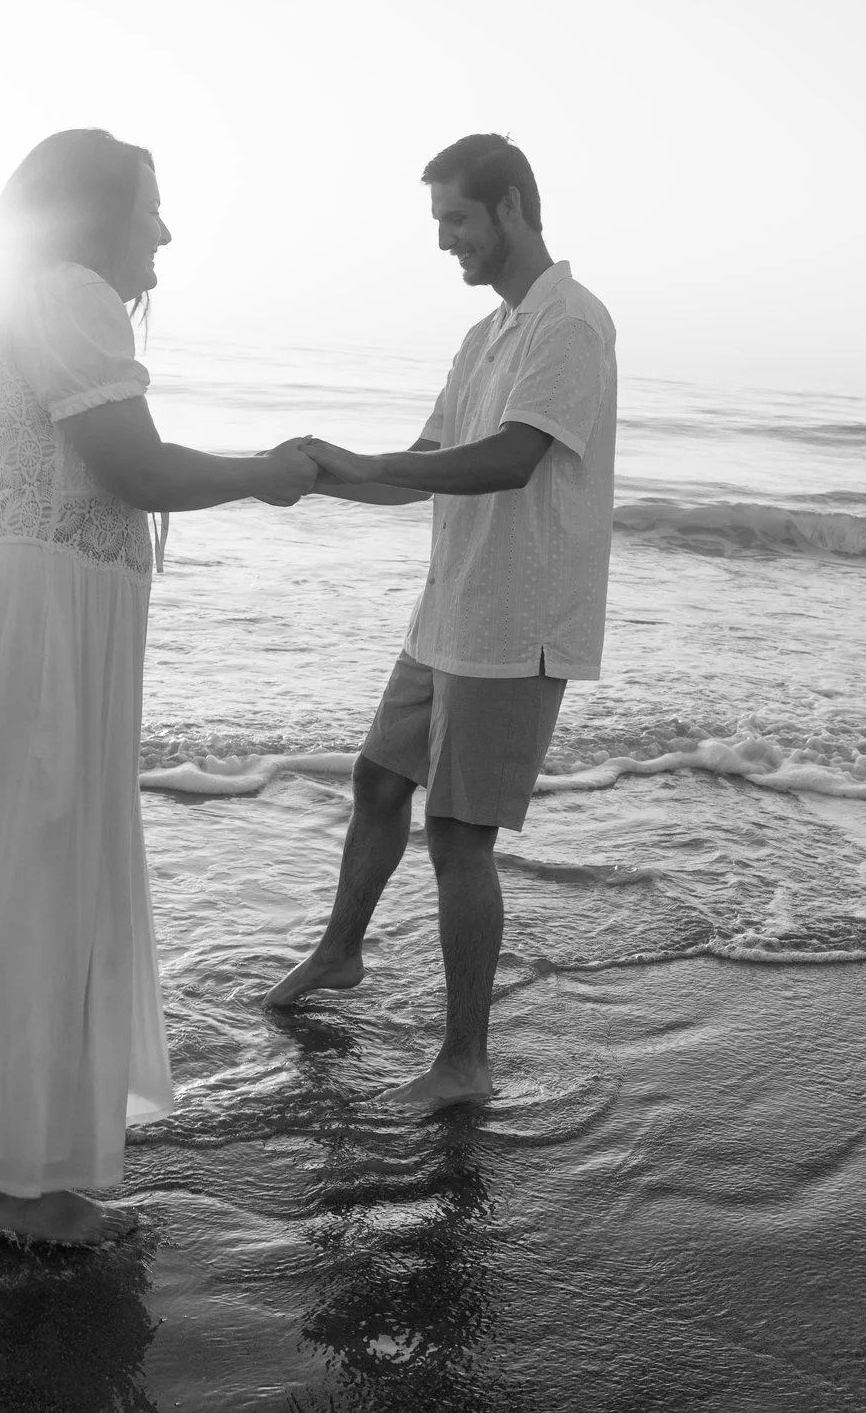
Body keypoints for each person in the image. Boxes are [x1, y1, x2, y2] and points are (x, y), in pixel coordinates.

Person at [0, 129, 317, 1244]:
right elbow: (132, 467)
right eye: (150, 205)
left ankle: (20, 1179)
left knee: (13, 886)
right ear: (95, 213)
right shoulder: (72, 293)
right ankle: (24, 1196)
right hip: (47, 620)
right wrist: (269, 473)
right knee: (43, 885)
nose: (165, 231)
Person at [266, 134, 618, 1109]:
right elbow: (423, 463)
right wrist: (317, 476)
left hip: (516, 623)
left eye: (456, 218)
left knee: (460, 838)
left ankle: (466, 1060)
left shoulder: (570, 323)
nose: (443, 240)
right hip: (449, 612)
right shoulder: (484, 335)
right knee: (379, 779)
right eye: (438, 221)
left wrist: (371, 464)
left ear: (510, 207)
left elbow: (509, 459)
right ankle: (341, 951)